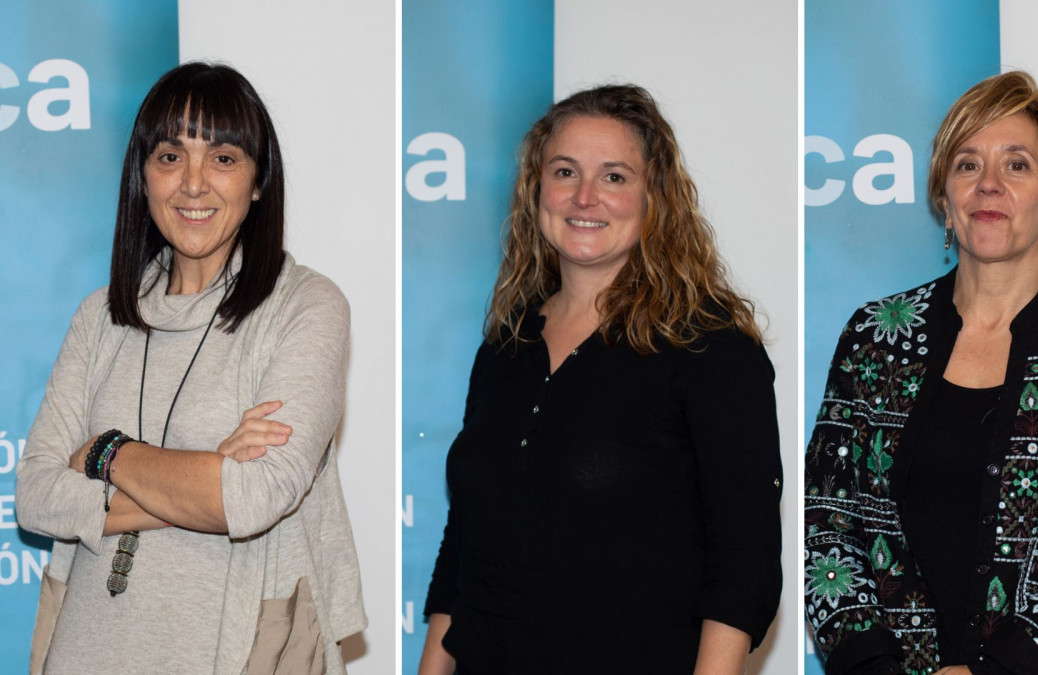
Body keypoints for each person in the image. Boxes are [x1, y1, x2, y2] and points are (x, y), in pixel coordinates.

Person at [803, 70, 1038, 675]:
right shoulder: (875, 337)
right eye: (967, 165)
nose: (988, 184)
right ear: (944, 197)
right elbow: (827, 523)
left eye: (1017, 165)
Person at [418, 84, 783, 675]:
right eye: (565, 171)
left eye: (614, 176)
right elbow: (464, 545)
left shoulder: (711, 349)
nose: (585, 196)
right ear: (537, 189)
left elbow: (744, 568)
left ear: (654, 198)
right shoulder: (506, 345)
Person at [15, 62, 366, 674]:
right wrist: (208, 475)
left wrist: (104, 453)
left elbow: (254, 499)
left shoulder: (306, 306)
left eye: (224, 158)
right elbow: (36, 497)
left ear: (259, 182)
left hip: (237, 650)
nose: (194, 184)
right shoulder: (100, 317)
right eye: (171, 157)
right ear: (142, 178)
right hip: (88, 653)